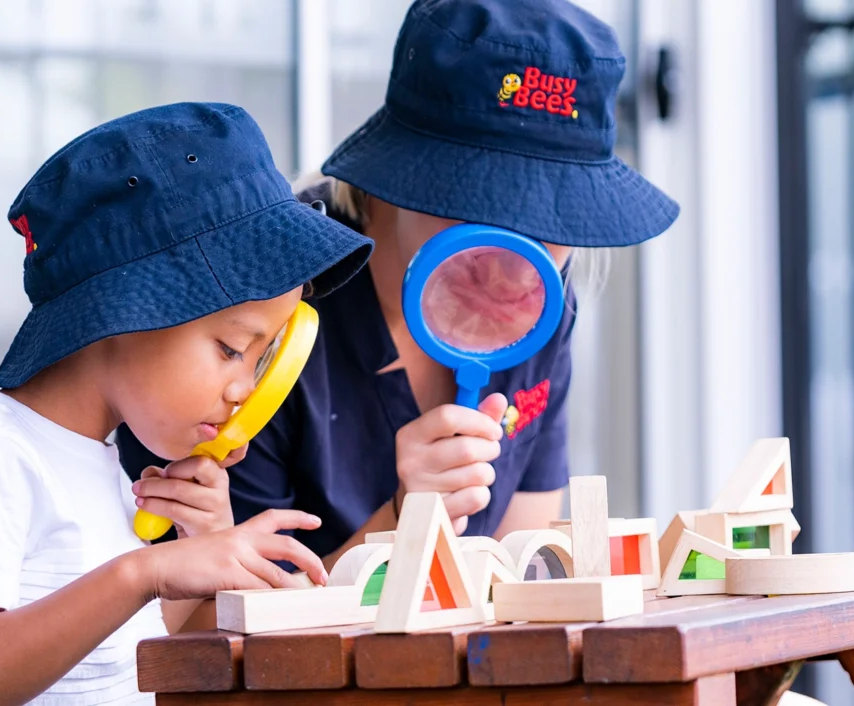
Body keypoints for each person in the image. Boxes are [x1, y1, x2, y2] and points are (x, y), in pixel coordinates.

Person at [118, 0, 680, 571]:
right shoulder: (258, 304)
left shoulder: (541, 310)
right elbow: (217, 625)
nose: (505, 265)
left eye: (550, 215)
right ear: (398, 177)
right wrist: (401, 521)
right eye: (477, 204)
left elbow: (513, 578)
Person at [0, 102, 372, 705]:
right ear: (123, 314)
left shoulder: (99, 459)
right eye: (231, 348)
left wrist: (204, 551)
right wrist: (146, 572)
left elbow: (133, 658)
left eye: (260, 359)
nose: (245, 389)